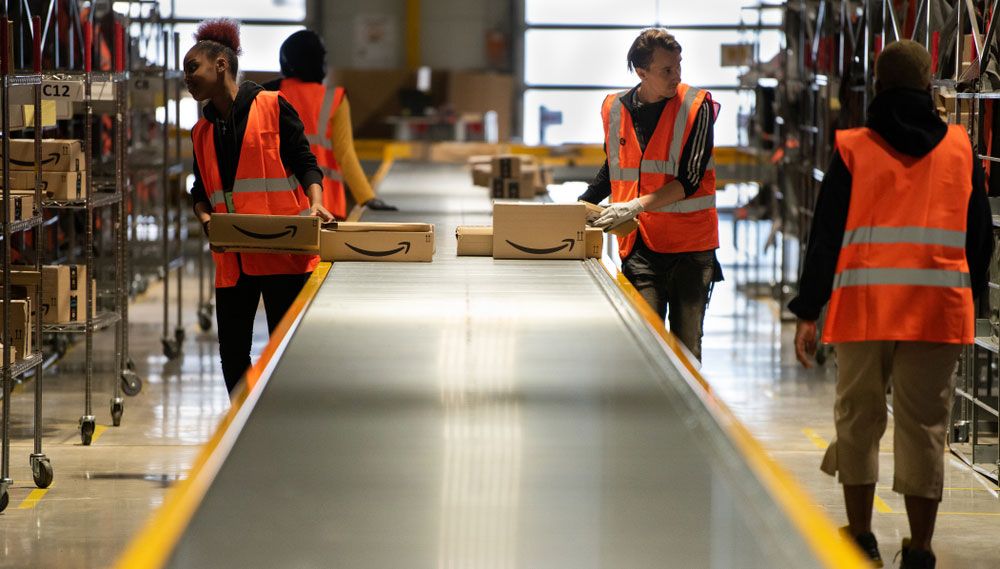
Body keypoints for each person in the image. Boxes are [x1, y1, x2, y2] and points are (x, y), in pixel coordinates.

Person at [789, 40, 992, 569]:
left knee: (858, 421)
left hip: (864, 312)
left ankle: (861, 538)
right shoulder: (959, 146)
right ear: (929, 87)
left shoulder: (854, 147)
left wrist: (808, 310)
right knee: (925, 427)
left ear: (876, 85)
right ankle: (920, 549)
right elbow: (980, 239)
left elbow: (826, 236)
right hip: (937, 312)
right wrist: (975, 302)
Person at [185, 19, 333, 395]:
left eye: (192, 68)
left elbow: (305, 161)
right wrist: (206, 220)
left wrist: (316, 203)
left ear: (221, 65)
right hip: (233, 260)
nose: (187, 78)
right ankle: (243, 422)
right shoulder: (201, 131)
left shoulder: (271, 105)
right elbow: (200, 189)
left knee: (287, 350)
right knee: (232, 355)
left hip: (283, 253)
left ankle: (288, 424)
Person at [580, 28, 720, 361]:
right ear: (641, 73)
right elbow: (612, 168)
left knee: (687, 351)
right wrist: (578, 208)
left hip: (692, 248)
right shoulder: (615, 109)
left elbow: (688, 179)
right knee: (646, 347)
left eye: (679, 66)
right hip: (641, 247)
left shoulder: (696, 106)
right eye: (666, 70)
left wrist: (634, 206)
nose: (677, 76)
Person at [263, 29, 397, 220]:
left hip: (281, 201)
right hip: (325, 204)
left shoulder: (268, 94)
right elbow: (345, 153)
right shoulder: (334, 98)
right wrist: (367, 197)